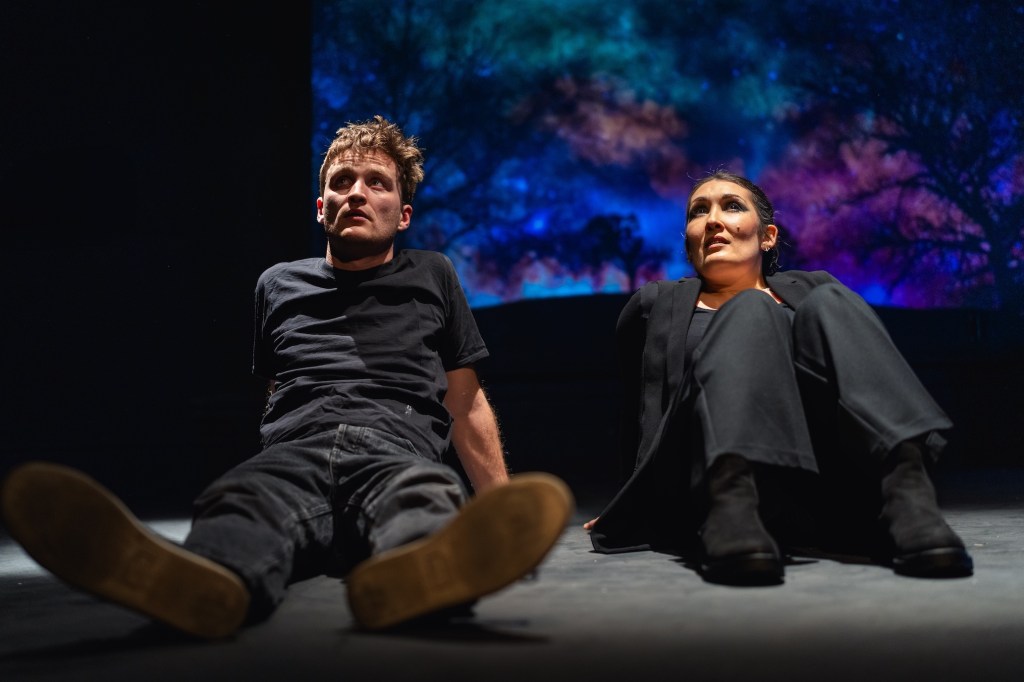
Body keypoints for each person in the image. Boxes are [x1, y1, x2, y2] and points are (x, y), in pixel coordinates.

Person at [1, 115, 573, 637]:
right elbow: (275, 391)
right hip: (297, 447)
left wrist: (500, 516)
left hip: (397, 446)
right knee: (242, 498)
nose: (356, 192)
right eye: (342, 181)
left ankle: (415, 578)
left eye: (376, 182)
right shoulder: (277, 283)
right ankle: (206, 582)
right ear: (320, 207)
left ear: (403, 214)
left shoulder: (433, 273)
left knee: (422, 497)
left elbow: (465, 399)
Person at [585, 170, 972, 585]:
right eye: (699, 211)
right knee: (751, 309)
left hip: (822, 481)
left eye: (731, 206)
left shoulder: (814, 291)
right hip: (707, 485)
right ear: (689, 237)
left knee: (832, 300)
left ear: (767, 236)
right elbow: (641, 416)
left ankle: (908, 495)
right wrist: (628, 499)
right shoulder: (655, 306)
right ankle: (733, 505)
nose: (713, 219)